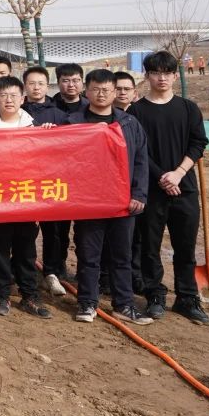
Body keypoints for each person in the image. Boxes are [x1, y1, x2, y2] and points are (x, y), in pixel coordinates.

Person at [128, 51, 209, 325]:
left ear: (175, 76)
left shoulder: (188, 108)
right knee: (149, 247)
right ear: (147, 76)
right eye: (155, 73)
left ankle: (187, 297)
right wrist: (162, 177)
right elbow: (137, 150)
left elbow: (198, 143)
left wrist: (178, 173)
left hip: (184, 187)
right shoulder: (136, 112)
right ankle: (155, 295)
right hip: (151, 190)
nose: (161, 78)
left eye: (167, 73)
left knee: (185, 247)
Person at [65, 69, 153, 326]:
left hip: (122, 201)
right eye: (95, 89)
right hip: (88, 202)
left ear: (115, 92)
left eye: (106, 90)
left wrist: (139, 193)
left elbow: (141, 160)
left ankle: (124, 304)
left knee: (121, 255)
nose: (101, 94)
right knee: (88, 255)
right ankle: (87, 302)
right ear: (86, 91)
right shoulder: (73, 122)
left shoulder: (129, 123)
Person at [0, 77, 53, 319]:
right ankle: (2, 295)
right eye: (3, 95)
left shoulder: (36, 127)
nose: (8, 100)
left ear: (23, 99)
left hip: (26, 198)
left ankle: (29, 295)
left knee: (26, 250)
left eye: (13, 95)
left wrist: (49, 135)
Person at [21, 66, 70, 297]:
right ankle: (24, 270)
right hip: (23, 180)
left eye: (40, 83)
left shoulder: (59, 114)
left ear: (47, 85)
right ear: (25, 86)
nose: (36, 88)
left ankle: (52, 272)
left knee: (54, 230)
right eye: (31, 83)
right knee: (25, 230)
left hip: (52, 180)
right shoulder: (17, 112)